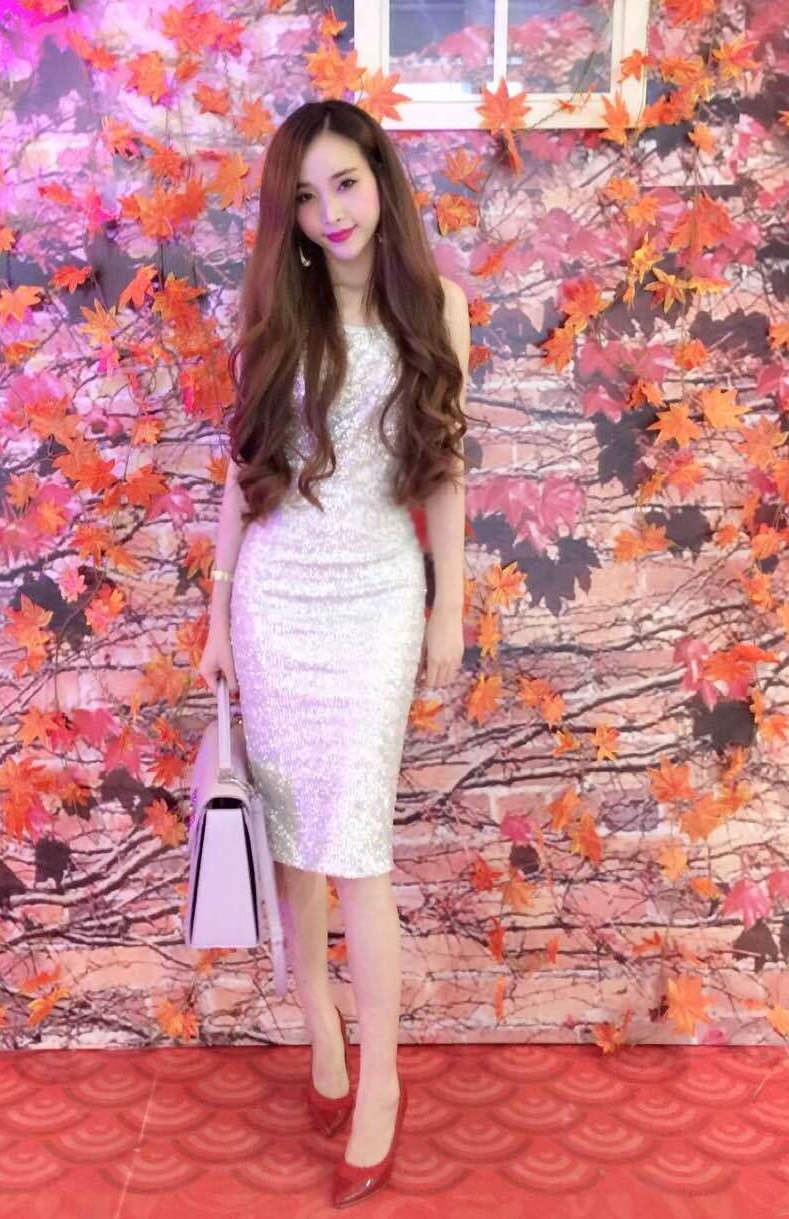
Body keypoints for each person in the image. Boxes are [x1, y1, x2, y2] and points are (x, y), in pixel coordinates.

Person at [197, 97, 469, 1208]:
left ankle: (383, 1080)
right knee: (294, 849)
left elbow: (445, 469)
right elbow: (242, 471)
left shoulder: (436, 306)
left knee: (357, 845)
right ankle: (320, 1027)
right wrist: (218, 611)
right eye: (305, 197)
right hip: (276, 599)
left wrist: (448, 608)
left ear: (379, 179)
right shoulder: (279, 310)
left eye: (345, 183)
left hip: (376, 599)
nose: (330, 212)